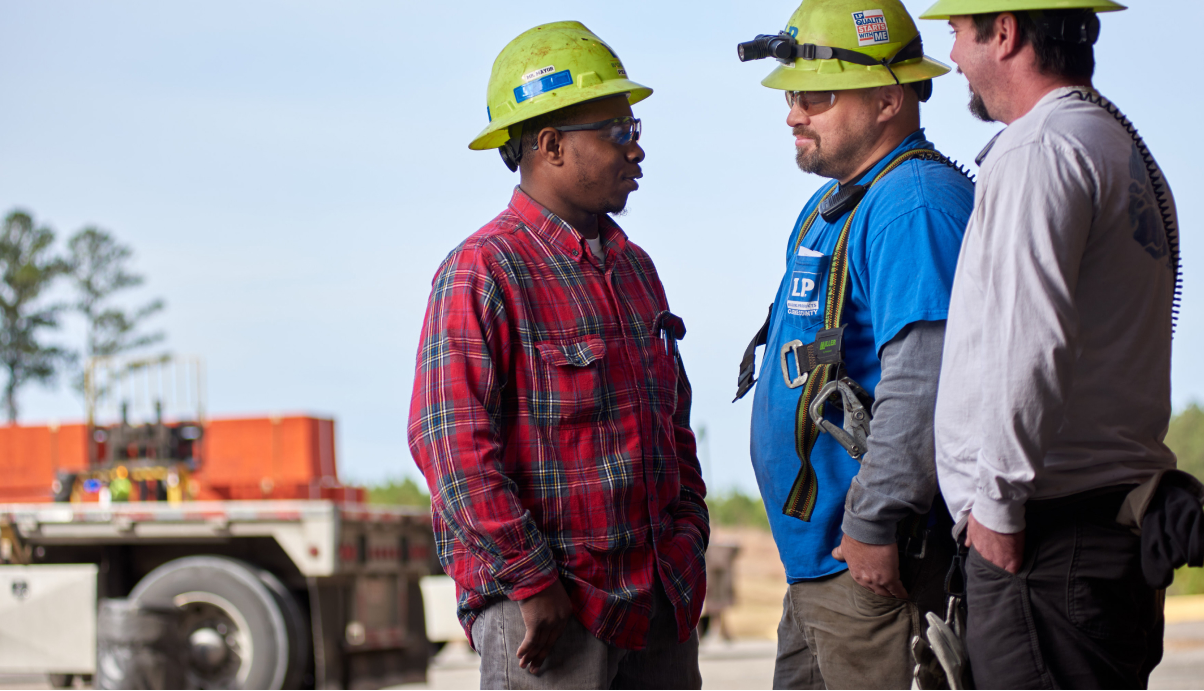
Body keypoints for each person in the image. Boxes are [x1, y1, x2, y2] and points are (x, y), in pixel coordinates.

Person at [406, 22, 707, 690]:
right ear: (549, 146)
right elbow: (450, 447)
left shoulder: (637, 271)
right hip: (550, 613)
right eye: (619, 131)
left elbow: (674, 427)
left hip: (656, 603)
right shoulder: (483, 271)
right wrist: (529, 579)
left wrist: (688, 539)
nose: (638, 150)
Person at [919, 0, 1182, 687]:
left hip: (1044, 540)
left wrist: (996, 512)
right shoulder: (1109, 142)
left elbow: (1025, 342)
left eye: (954, 32)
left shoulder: (1038, 150)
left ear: (1002, 31)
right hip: (1100, 532)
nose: (949, 57)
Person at [732, 1, 975, 687]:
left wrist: (872, 520)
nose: (792, 113)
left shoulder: (914, 204)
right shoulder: (836, 202)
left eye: (815, 95)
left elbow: (924, 382)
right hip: (820, 566)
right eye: (790, 96)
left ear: (887, 99)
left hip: (872, 563)